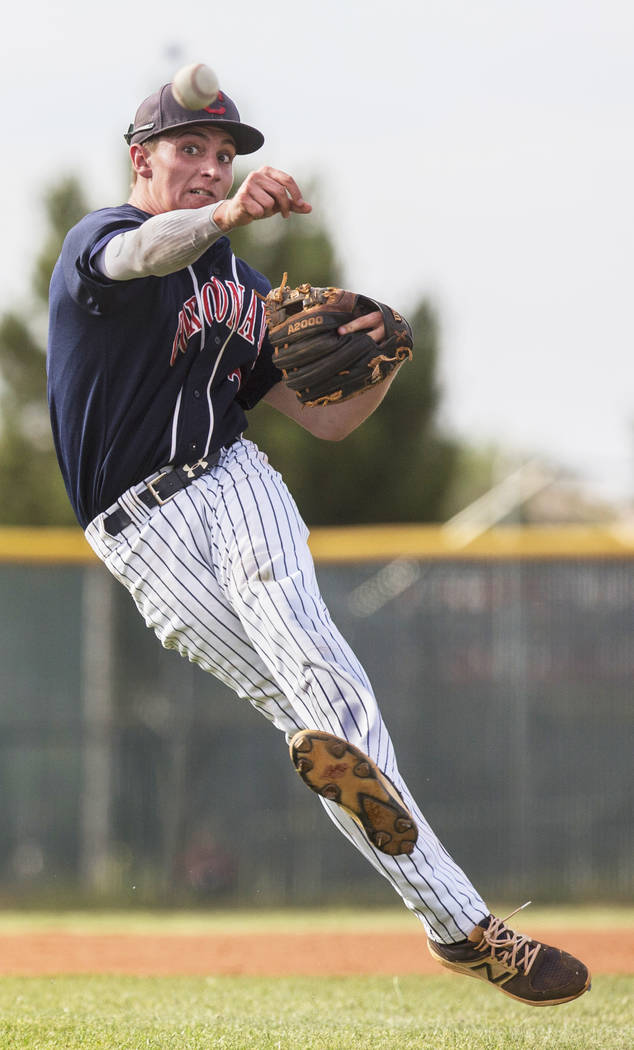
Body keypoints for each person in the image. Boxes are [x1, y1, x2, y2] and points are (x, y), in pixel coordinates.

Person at [47, 81, 590, 1007]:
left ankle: (469, 928)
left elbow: (320, 420)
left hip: (230, 479)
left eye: (225, 154)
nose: (212, 167)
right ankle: (455, 931)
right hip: (141, 537)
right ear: (142, 158)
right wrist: (226, 212)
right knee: (329, 737)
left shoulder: (241, 287)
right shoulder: (100, 242)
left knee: (330, 699)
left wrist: (383, 361)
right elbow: (143, 253)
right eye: (190, 150)